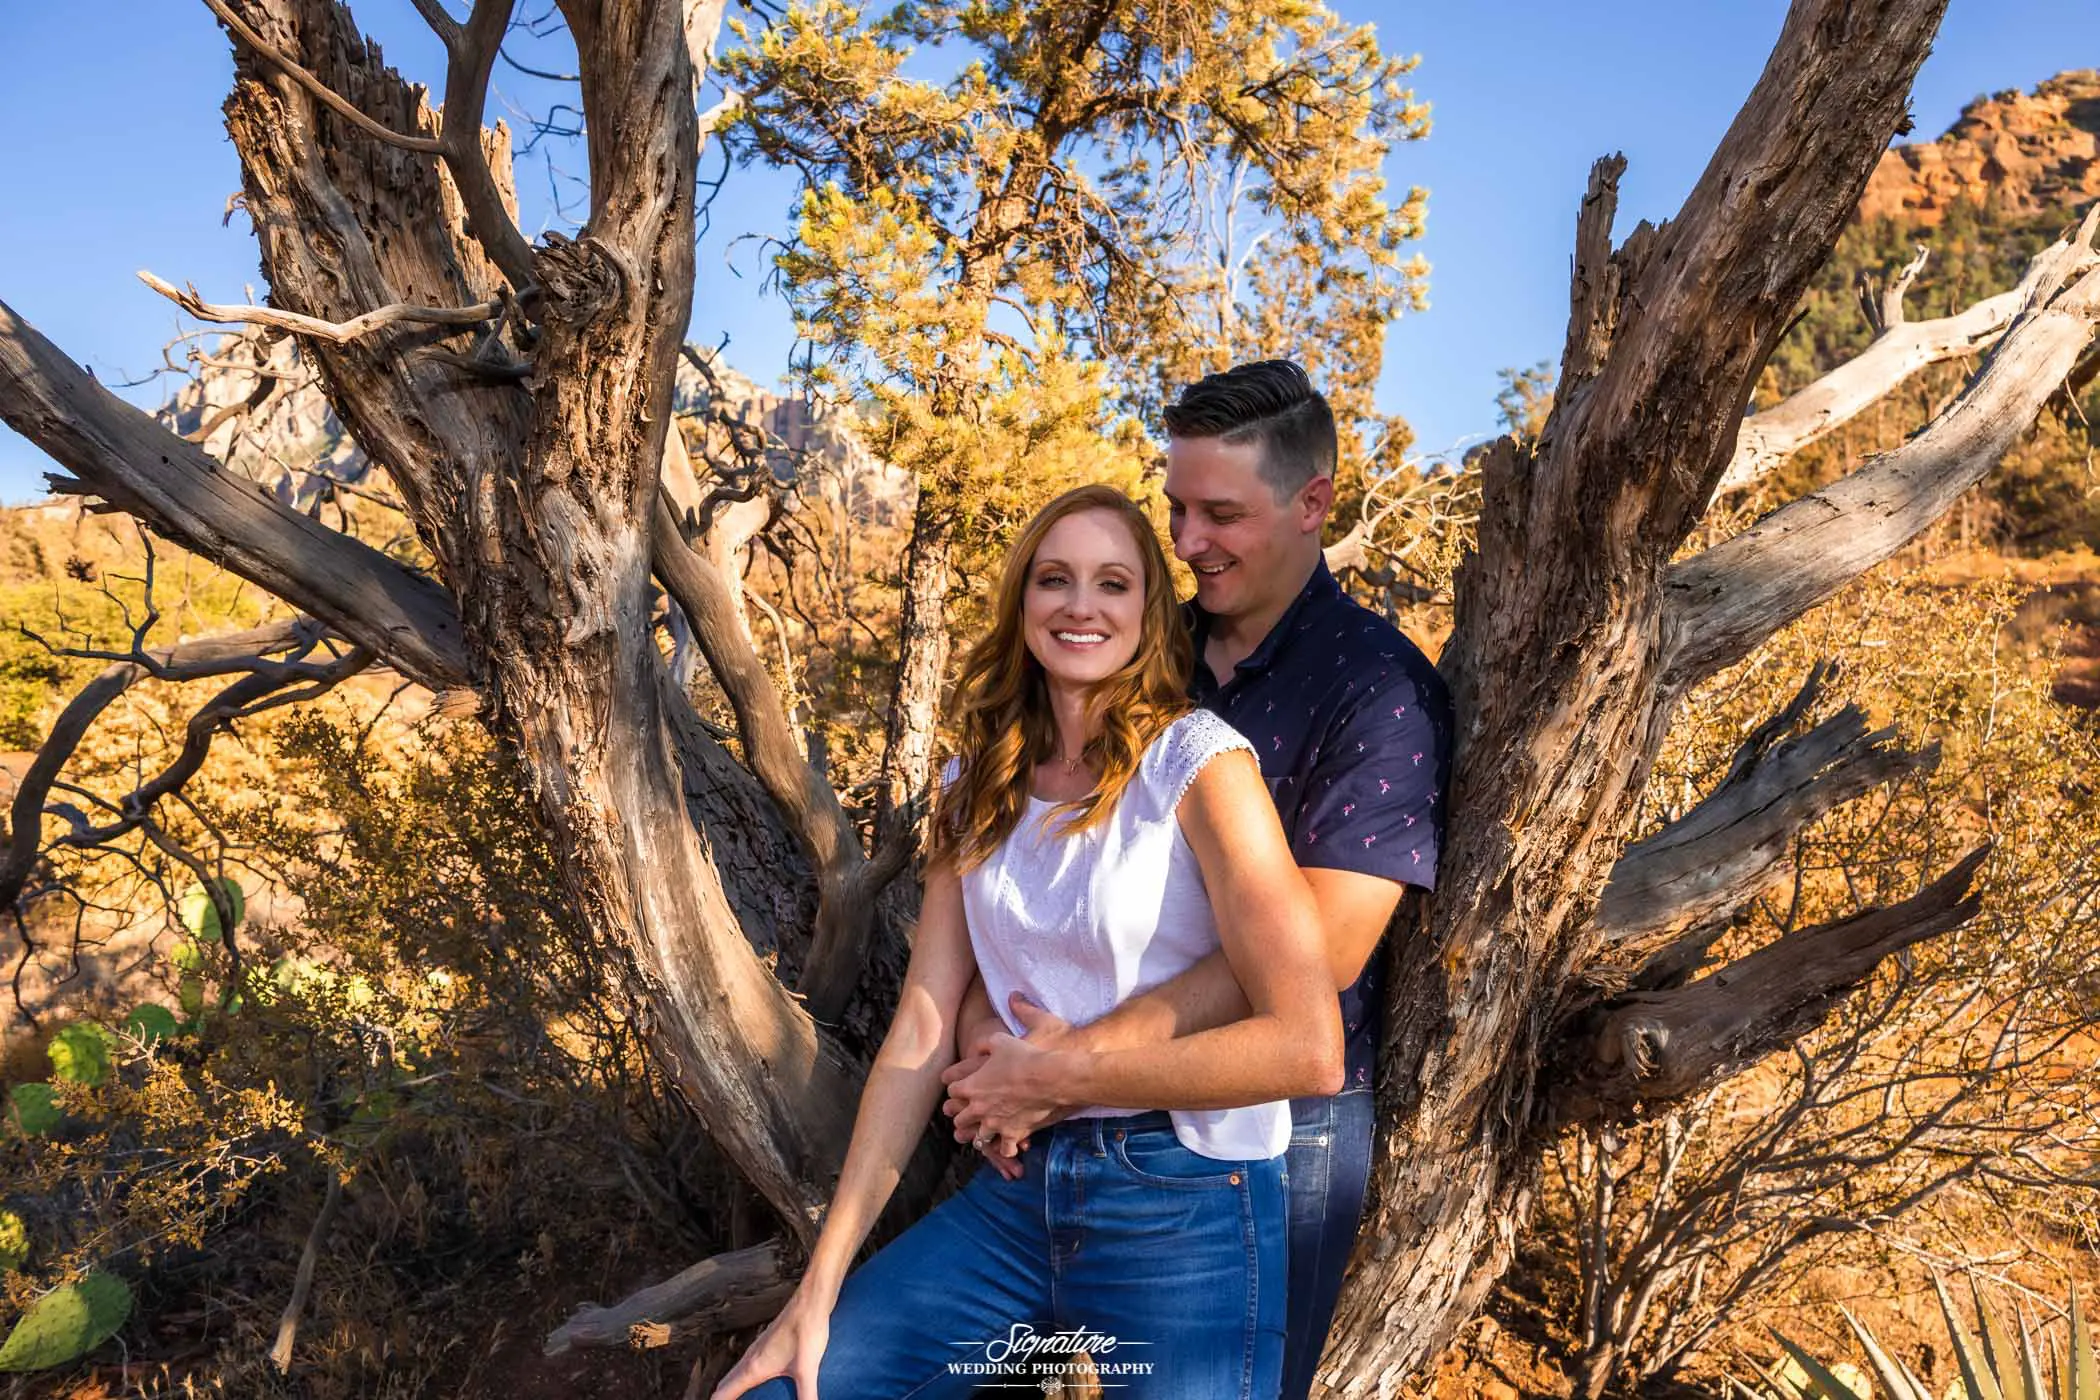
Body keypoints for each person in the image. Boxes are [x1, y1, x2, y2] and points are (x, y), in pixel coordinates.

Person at [712, 483, 1344, 1400]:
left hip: (1189, 1199)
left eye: (1113, 583)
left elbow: (1308, 1045)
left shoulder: (1201, 764)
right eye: (1055, 579)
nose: (1081, 605)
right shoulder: (974, 787)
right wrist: (818, 1287)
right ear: (1022, 604)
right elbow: (920, 1034)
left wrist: (1060, 1078)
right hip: (1018, 1194)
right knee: (783, 1389)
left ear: (1149, 613)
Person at [944, 361, 1452, 1400]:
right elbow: (1022, 857)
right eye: (1175, 507)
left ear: (1314, 502)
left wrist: (1068, 1064)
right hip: (1051, 1092)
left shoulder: (1380, 691)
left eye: (1220, 512)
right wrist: (988, 1047)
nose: (1184, 542)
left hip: (1277, 1120)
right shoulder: (1142, 642)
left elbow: (1323, 944)